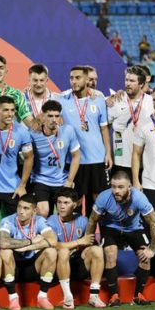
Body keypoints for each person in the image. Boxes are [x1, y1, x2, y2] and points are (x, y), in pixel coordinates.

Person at [86, 171, 155, 307]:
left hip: (134, 229)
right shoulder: (104, 197)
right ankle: (114, 295)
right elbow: (92, 220)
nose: (116, 191)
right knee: (110, 253)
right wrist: (88, 244)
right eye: (113, 187)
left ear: (129, 187)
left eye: (121, 187)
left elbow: (154, 223)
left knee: (145, 255)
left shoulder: (140, 198)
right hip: (111, 228)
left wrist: (153, 249)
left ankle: (138, 294)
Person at [56, 66, 112, 216]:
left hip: (97, 159)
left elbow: (104, 129)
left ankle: (93, 237)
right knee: (76, 201)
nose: (73, 81)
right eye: (71, 78)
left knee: (97, 201)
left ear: (87, 80)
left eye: (77, 78)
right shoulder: (63, 100)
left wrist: (108, 153)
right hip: (75, 161)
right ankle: (78, 236)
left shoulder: (98, 100)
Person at [0, 95, 34, 229]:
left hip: (12, 188)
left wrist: (22, 185)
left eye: (12, 110)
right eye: (6, 110)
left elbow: (29, 157)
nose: (10, 114)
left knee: (15, 225)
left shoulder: (21, 132)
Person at [45, 187, 105, 308]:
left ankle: (94, 296)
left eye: (66, 203)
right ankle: (68, 297)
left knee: (97, 250)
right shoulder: (51, 221)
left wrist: (86, 247)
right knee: (63, 252)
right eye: (59, 202)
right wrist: (79, 242)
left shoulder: (83, 220)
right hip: (57, 269)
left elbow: (88, 242)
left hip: (77, 267)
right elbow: (55, 245)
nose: (61, 206)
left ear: (75, 204)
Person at [0, 195, 58, 310]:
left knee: (51, 251)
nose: (21, 211)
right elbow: (3, 242)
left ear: (34, 211)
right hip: (12, 267)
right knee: (5, 252)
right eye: (19, 207)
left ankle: (42, 297)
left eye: (26, 208)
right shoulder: (7, 221)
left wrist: (30, 247)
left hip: (32, 266)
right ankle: (13, 298)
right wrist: (29, 241)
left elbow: (53, 240)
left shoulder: (39, 221)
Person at [29, 100, 80, 217]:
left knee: (65, 213)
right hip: (41, 179)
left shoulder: (68, 131)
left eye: (57, 116)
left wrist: (69, 181)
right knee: (43, 212)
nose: (53, 119)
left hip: (61, 180)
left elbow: (76, 156)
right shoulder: (33, 133)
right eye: (50, 116)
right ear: (42, 116)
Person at [107, 66, 154, 176]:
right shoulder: (116, 100)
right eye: (126, 80)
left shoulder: (151, 102)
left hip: (144, 162)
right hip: (120, 160)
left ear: (141, 84)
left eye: (132, 81)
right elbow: (105, 127)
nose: (128, 83)